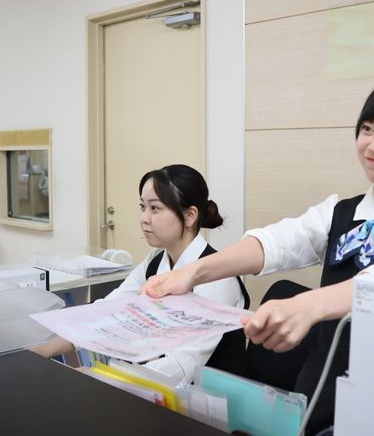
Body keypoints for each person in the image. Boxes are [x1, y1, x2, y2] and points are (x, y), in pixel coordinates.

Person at [142, 74, 374, 435]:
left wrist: (306, 307)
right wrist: (192, 273)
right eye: (367, 129)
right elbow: (276, 242)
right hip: (319, 397)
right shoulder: (338, 212)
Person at [33, 164, 248, 383]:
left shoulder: (219, 278)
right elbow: (108, 311)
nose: (144, 218)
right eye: (142, 206)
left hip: (211, 398)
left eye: (155, 208)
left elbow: (183, 364)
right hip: (164, 388)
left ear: (190, 215)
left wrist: (101, 376)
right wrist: (44, 350)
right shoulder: (156, 259)